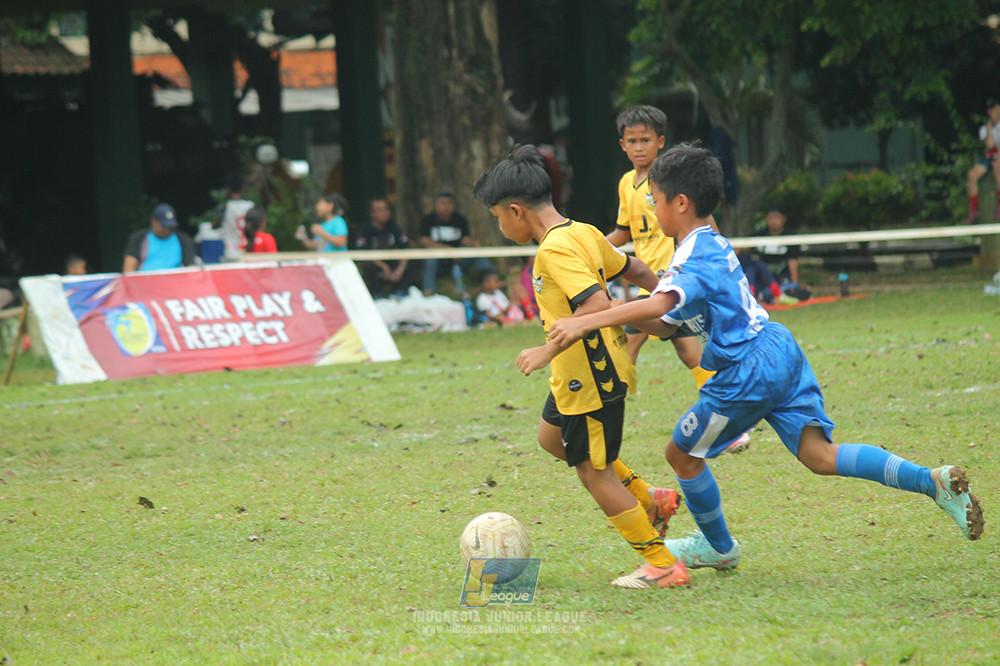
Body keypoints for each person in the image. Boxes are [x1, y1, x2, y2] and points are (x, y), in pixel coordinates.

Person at [547, 143, 984, 582]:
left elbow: (660, 303)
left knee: (680, 455)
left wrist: (586, 321)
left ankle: (719, 548)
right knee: (818, 454)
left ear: (680, 203)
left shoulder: (693, 254)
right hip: (778, 348)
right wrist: (622, 318)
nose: (651, 209)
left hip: (746, 371)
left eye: (654, 200)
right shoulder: (709, 240)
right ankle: (930, 482)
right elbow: (665, 321)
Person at [473, 145, 690, 590]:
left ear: (516, 211)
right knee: (551, 438)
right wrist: (668, 300)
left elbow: (595, 306)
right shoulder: (583, 231)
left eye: (497, 217)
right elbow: (634, 267)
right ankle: (651, 499)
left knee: (595, 473)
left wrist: (545, 351)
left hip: (591, 377)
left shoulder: (554, 251)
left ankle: (663, 565)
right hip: (577, 374)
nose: (500, 226)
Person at [609, 106, 751, 453]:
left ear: (660, 142)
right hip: (649, 284)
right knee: (689, 354)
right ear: (622, 145)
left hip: (673, 283)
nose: (639, 147)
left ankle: (601, 424)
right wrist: (591, 247)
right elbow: (623, 232)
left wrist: (718, 252)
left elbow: (703, 221)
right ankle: (729, 425)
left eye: (645, 140)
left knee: (626, 349)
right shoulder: (626, 184)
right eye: (632, 141)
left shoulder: (671, 181)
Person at [420, 191, 495, 296]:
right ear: (436, 205)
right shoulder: (428, 220)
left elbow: (465, 239)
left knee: (478, 253)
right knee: (430, 258)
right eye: (443, 203)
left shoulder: (460, 220)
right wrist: (447, 250)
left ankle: (491, 281)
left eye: (449, 203)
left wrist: (472, 243)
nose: (446, 207)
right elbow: (425, 241)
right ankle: (429, 290)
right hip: (439, 260)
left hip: (458, 259)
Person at [738, 207, 807, 304]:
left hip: (781, 278)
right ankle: (755, 296)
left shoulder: (790, 237)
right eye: (771, 218)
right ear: (766, 219)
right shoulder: (761, 235)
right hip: (763, 278)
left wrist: (795, 284)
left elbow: (793, 261)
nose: (774, 221)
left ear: (783, 219)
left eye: (777, 218)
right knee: (752, 266)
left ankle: (767, 295)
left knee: (771, 291)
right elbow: (743, 246)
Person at [355, 198, 414, 298]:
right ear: (372, 214)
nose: (384, 213)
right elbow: (362, 253)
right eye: (380, 210)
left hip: (393, 263)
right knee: (367, 265)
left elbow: (406, 248)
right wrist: (383, 266)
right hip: (376, 264)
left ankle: (400, 291)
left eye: (386, 209)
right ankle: (377, 294)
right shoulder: (365, 229)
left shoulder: (394, 227)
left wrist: (401, 267)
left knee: (414, 260)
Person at [123, 203, 196, 273]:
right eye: (164, 226)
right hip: (145, 280)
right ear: (153, 222)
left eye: (170, 227)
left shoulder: (182, 239)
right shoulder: (139, 238)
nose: (167, 230)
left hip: (174, 280)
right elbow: (128, 270)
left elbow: (191, 267)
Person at [967, 100, 1000, 224]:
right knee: (972, 175)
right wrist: (990, 127)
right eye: (995, 111)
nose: (998, 113)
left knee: (997, 166)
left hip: (999, 158)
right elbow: (990, 145)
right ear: (989, 112)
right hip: (991, 157)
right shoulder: (984, 129)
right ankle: (973, 209)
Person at [214, 174, 255, 261]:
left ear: (227, 189)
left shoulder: (224, 207)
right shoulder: (251, 206)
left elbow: (215, 226)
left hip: (230, 253)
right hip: (249, 252)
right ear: (243, 188)